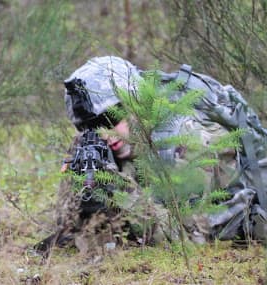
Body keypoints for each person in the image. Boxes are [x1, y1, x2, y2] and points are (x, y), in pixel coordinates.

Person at [41, 56, 267, 254]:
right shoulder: (99, 145)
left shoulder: (184, 140)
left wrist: (121, 192)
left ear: (136, 103)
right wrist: (82, 188)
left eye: (111, 119)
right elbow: (66, 225)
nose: (105, 134)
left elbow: (189, 238)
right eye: (91, 126)